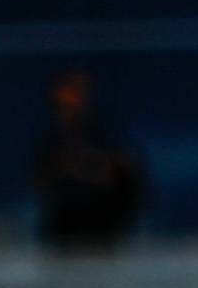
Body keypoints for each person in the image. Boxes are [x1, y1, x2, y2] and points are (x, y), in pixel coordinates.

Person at [31, 73, 146, 251]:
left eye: (72, 106)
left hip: (105, 235)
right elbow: (42, 183)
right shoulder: (51, 146)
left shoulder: (109, 141)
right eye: (62, 107)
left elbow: (130, 184)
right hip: (64, 237)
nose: (68, 113)